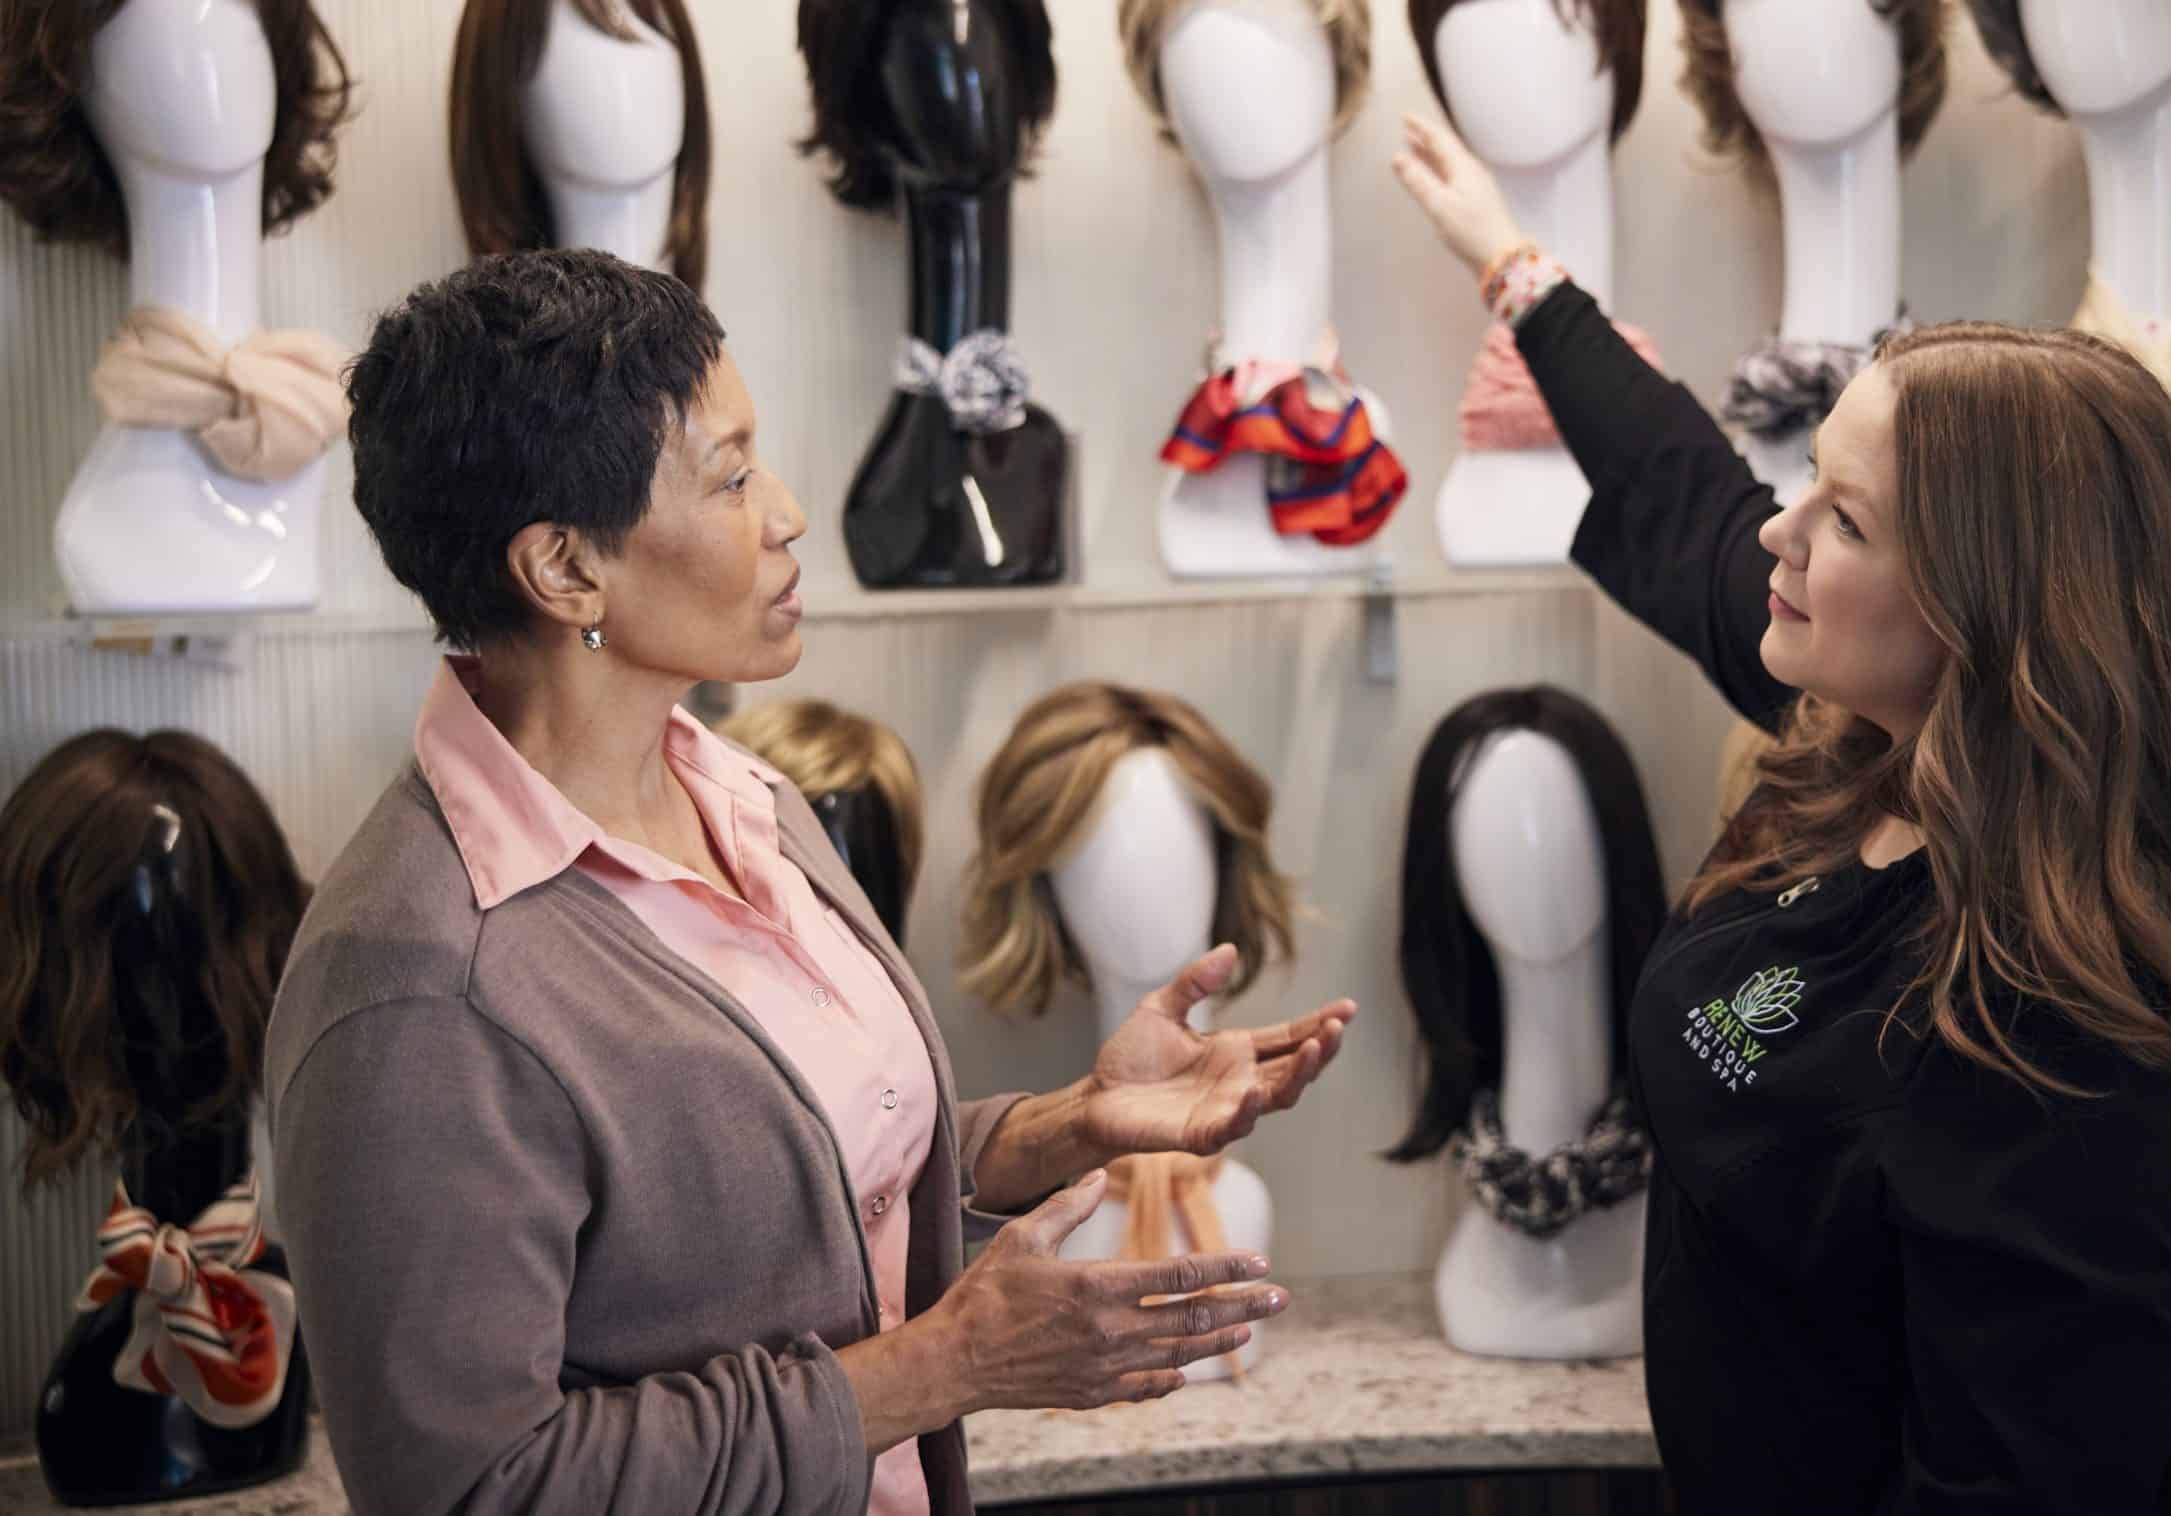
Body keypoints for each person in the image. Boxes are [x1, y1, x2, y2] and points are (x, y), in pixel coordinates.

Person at [262, 249, 1357, 1516]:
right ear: (565, 570)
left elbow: (777, 1206)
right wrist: (944, 1365)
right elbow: (470, 1489)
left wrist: (1069, 1124)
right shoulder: (421, 983)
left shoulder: (741, 796)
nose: (784, 511)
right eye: (729, 477)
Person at [1392, 113, 2171, 1513]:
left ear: (1986, 609)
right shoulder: (1867, 743)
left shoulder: (2060, 1019)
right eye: (1809, 486)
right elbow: (1687, 491)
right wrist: (1513, 271)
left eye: (1843, 517)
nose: (1782, 532)